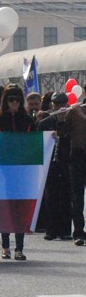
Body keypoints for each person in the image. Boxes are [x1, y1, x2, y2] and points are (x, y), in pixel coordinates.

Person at [0, 85, 35, 261]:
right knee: (5, 207)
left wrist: (50, 138)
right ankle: (5, 246)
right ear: (5, 102)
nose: (14, 103)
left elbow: (35, 142)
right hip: (4, 169)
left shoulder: (27, 120)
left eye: (17, 100)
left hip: (22, 170)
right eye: (11, 100)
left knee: (19, 208)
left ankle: (19, 248)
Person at [38, 92, 72, 241]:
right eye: (56, 104)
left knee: (66, 197)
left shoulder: (72, 120)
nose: (59, 107)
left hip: (67, 163)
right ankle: (51, 230)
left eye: (62, 104)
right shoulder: (46, 122)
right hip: (50, 164)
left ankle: (65, 230)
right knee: (50, 197)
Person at [56, 91, 86, 246]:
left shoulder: (78, 111)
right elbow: (62, 133)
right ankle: (79, 232)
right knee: (77, 196)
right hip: (78, 156)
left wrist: (81, 115)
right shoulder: (74, 110)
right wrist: (61, 119)